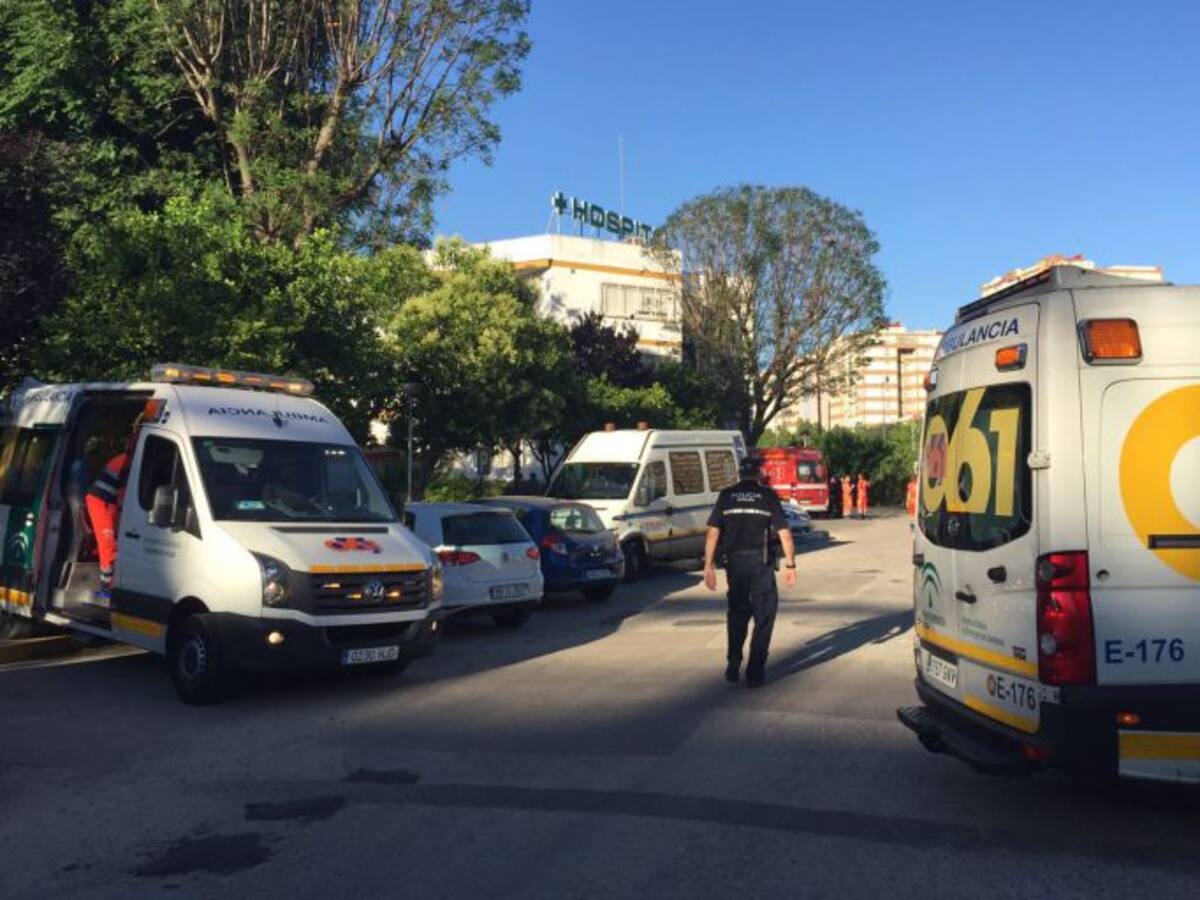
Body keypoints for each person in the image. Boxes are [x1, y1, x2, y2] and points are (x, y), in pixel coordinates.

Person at [703, 457, 797, 687]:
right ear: (759, 473)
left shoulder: (726, 495)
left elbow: (713, 533)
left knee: (737, 613)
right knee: (764, 616)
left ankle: (734, 660)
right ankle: (755, 672)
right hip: (760, 565)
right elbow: (784, 533)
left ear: (739, 473)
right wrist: (791, 565)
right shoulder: (767, 496)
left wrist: (708, 566)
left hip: (735, 566)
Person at [85, 418, 142, 596]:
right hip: (99, 501)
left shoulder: (131, 460)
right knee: (108, 543)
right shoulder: (128, 462)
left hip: (110, 501)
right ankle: (106, 586)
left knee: (114, 541)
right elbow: (125, 493)